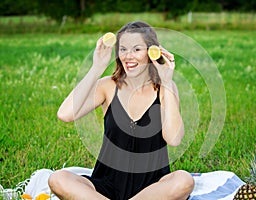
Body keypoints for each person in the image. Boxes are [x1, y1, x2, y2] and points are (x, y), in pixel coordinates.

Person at [48, 21, 194, 200]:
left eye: (136, 49)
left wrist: (166, 80)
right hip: (106, 186)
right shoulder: (108, 86)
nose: (128, 56)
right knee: (58, 179)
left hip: (152, 190)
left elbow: (174, 139)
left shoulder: (166, 88)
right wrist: (97, 68)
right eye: (123, 49)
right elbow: (65, 114)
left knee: (184, 180)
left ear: (151, 52)